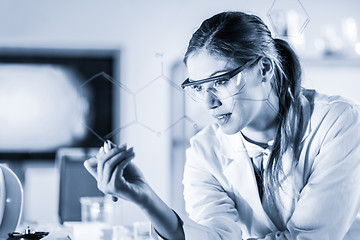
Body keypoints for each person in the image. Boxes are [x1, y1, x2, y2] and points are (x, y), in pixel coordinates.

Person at [84, 11, 360, 239]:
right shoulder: (204, 151)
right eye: (199, 87)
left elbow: (310, 237)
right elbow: (213, 235)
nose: (208, 103)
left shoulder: (337, 123)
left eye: (220, 81)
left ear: (264, 69)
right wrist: (145, 197)